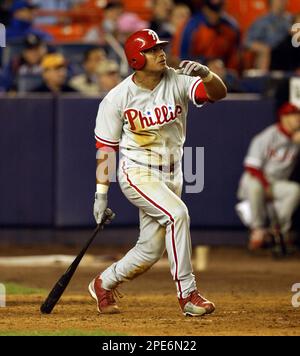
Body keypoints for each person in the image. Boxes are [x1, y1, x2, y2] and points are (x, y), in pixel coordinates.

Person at [89, 29, 227, 316]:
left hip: (172, 172)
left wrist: (208, 75)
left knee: (150, 250)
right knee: (178, 215)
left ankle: (103, 282)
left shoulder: (176, 80)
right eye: (152, 50)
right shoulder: (117, 98)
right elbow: (106, 150)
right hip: (137, 171)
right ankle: (188, 295)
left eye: (160, 47)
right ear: (136, 59)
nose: (160, 52)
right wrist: (101, 195)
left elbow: (218, 94)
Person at [237, 103, 300, 251]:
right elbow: (252, 167)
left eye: (297, 114)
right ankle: (257, 230)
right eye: (292, 115)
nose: (296, 118)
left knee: (294, 190)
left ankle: (278, 230)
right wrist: (267, 187)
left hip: (277, 183)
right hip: (257, 179)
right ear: (283, 118)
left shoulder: (297, 138)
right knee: (255, 186)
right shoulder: (268, 136)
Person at [173, 0, 240, 70]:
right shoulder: (191, 26)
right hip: (195, 71)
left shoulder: (231, 28)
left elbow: (234, 60)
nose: (214, 14)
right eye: (211, 10)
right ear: (205, 8)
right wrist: (205, 64)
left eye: (217, 10)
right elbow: (181, 57)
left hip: (222, 71)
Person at [245, 0, 292, 71]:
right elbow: (247, 42)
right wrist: (264, 49)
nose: (283, 1)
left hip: (289, 54)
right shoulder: (262, 22)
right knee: (265, 54)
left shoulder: (291, 20)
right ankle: (263, 79)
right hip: (271, 57)